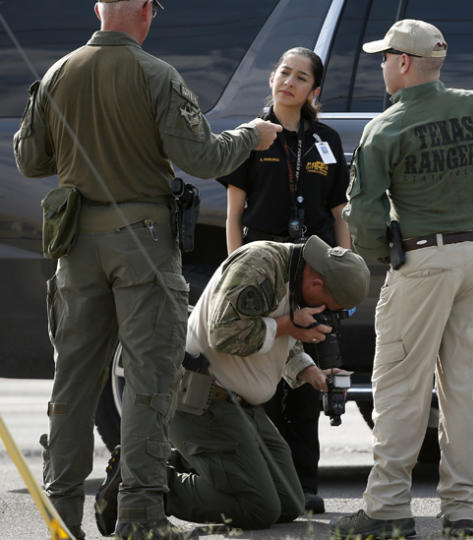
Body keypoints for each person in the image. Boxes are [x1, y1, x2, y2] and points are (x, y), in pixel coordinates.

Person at [11, 1, 281, 539]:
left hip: (75, 248)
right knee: (149, 383)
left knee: (73, 384)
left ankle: (60, 518)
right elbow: (203, 157)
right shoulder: (156, 74)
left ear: (98, 9)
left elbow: (29, 160)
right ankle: (140, 517)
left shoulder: (58, 73)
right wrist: (253, 135)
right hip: (144, 247)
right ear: (141, 11)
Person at [331, 19, 473, 540]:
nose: (381, 65)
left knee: (401, 388)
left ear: (404, 63)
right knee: (463, 391)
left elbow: (362, 211)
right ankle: (462, 512)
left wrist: (386, 255)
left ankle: (386, 510)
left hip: (423, 262)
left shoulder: (385, 127)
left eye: (385, 57)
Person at [157, 236, 369, 530]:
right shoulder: (261, 265)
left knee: (289, 502)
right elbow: (222, 332)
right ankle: (144, 482)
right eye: (328, 306)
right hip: (203, 402)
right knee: (258, 508)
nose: (325, 314)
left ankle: (180, 461)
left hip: (240, 407)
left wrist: (311, 372)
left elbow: (277, 333)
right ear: (318, 284)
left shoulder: (294, 277)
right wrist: (288, 325)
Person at [217, 47, 351, 513]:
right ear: (271, 78)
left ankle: (304, 485)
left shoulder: (326, 140)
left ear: (314, 90)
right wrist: (236, 274)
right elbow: (235, 214)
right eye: (283, 73)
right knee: (267, 382)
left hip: (313, 276)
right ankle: (269, 485)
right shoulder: (251, 137)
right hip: (264, 269)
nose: (288, 82)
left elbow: (338, 215)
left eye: (300, 77)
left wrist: (344, 272)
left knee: (307, 382)